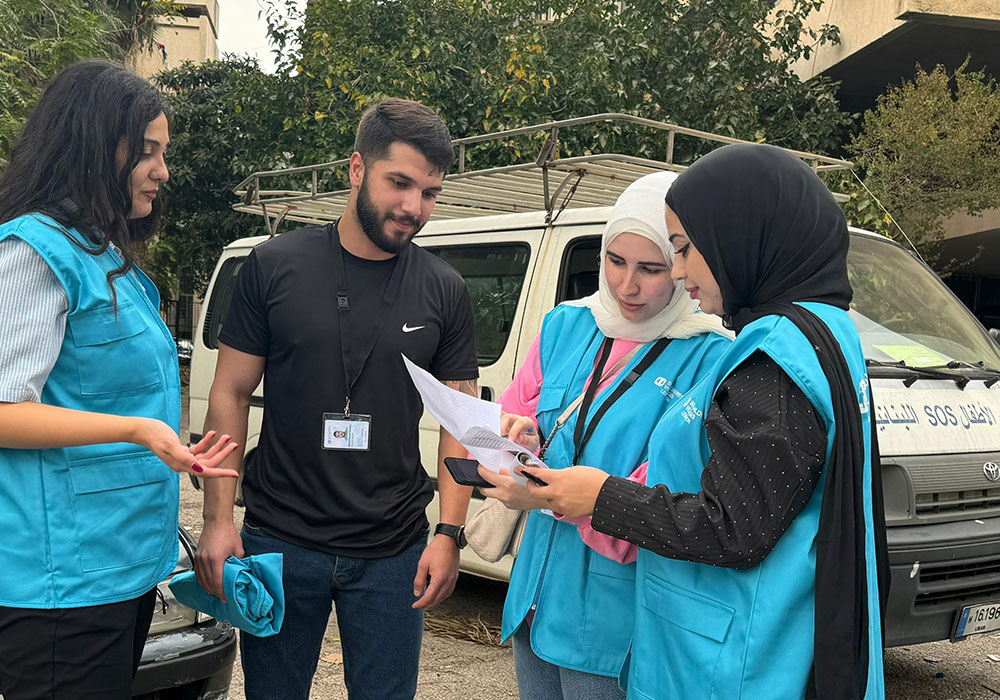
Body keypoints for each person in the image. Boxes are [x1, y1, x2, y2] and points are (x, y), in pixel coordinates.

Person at [521, 144, 888, 700]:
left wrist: (602, 498)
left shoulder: (771, 360)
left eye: (686, 249)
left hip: (737, 663)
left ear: (741, 237)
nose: (678, 271)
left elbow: (733, 528)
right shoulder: (824, 331)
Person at [193, 98, 479, 700]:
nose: (412, 207)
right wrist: (219, 520)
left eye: (429, 192)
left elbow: (461, 421)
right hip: (279, 538)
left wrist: (449, 533)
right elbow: (230, 392)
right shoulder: (273, 267)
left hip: (393, 551)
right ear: (356, 170)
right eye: (398, 183)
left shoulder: (445, 290)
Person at [0, 60, 238, 700]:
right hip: (62, 582)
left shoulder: (111, 259)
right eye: (149, 152)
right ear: (92, 146)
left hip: (122, 569)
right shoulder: (33, 251)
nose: (164, 171)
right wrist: (138, 430)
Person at [478, 172, 732, 699]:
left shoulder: (710, 356)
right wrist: (512, 440)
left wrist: (558, 497)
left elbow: (675, 495)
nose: (627, 286)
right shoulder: (567, 325)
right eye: (615, 262)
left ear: (683, 266)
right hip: (535, 597)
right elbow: (505, 426)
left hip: (618, 619)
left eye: (652, 268)